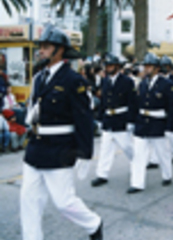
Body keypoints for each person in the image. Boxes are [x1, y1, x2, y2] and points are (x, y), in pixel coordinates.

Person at [20, 25, 103, 240]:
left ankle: (93, 224)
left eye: (46, 47)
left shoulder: (74, 80)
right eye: (41, 46)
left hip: (59, 149)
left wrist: (85, 153)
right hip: (36, 147)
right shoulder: (39, 78)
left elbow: (84, 120)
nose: (41, 51)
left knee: (64, 202)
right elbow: (34, 108)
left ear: (59, 50)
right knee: (28, 200)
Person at [127, 52, 173, 194]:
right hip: (142, 123)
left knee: (162, 153)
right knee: (139, 155)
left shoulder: (167, 84)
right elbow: (137, 104)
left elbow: (171, 107)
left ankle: (167, 175)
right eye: (145, 66)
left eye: (149, 66)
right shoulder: (142, 84)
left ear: (156, 68)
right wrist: (132, 121)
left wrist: (169, 126)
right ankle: (137, 183)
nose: (146, 69)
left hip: (158, 123)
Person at [91, 53, 135, 187]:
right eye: (107, 65)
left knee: (127, 147)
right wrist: (100, 118)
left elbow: (132, 102)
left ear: (117, 66)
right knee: (105, 148)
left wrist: (130, 121)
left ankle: (138, 165)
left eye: (111, 65)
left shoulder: (127, 81)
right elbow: (104, 101)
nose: (108, 68)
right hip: (108, 119)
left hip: (121, 119)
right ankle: (102, 174)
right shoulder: (105, 81)